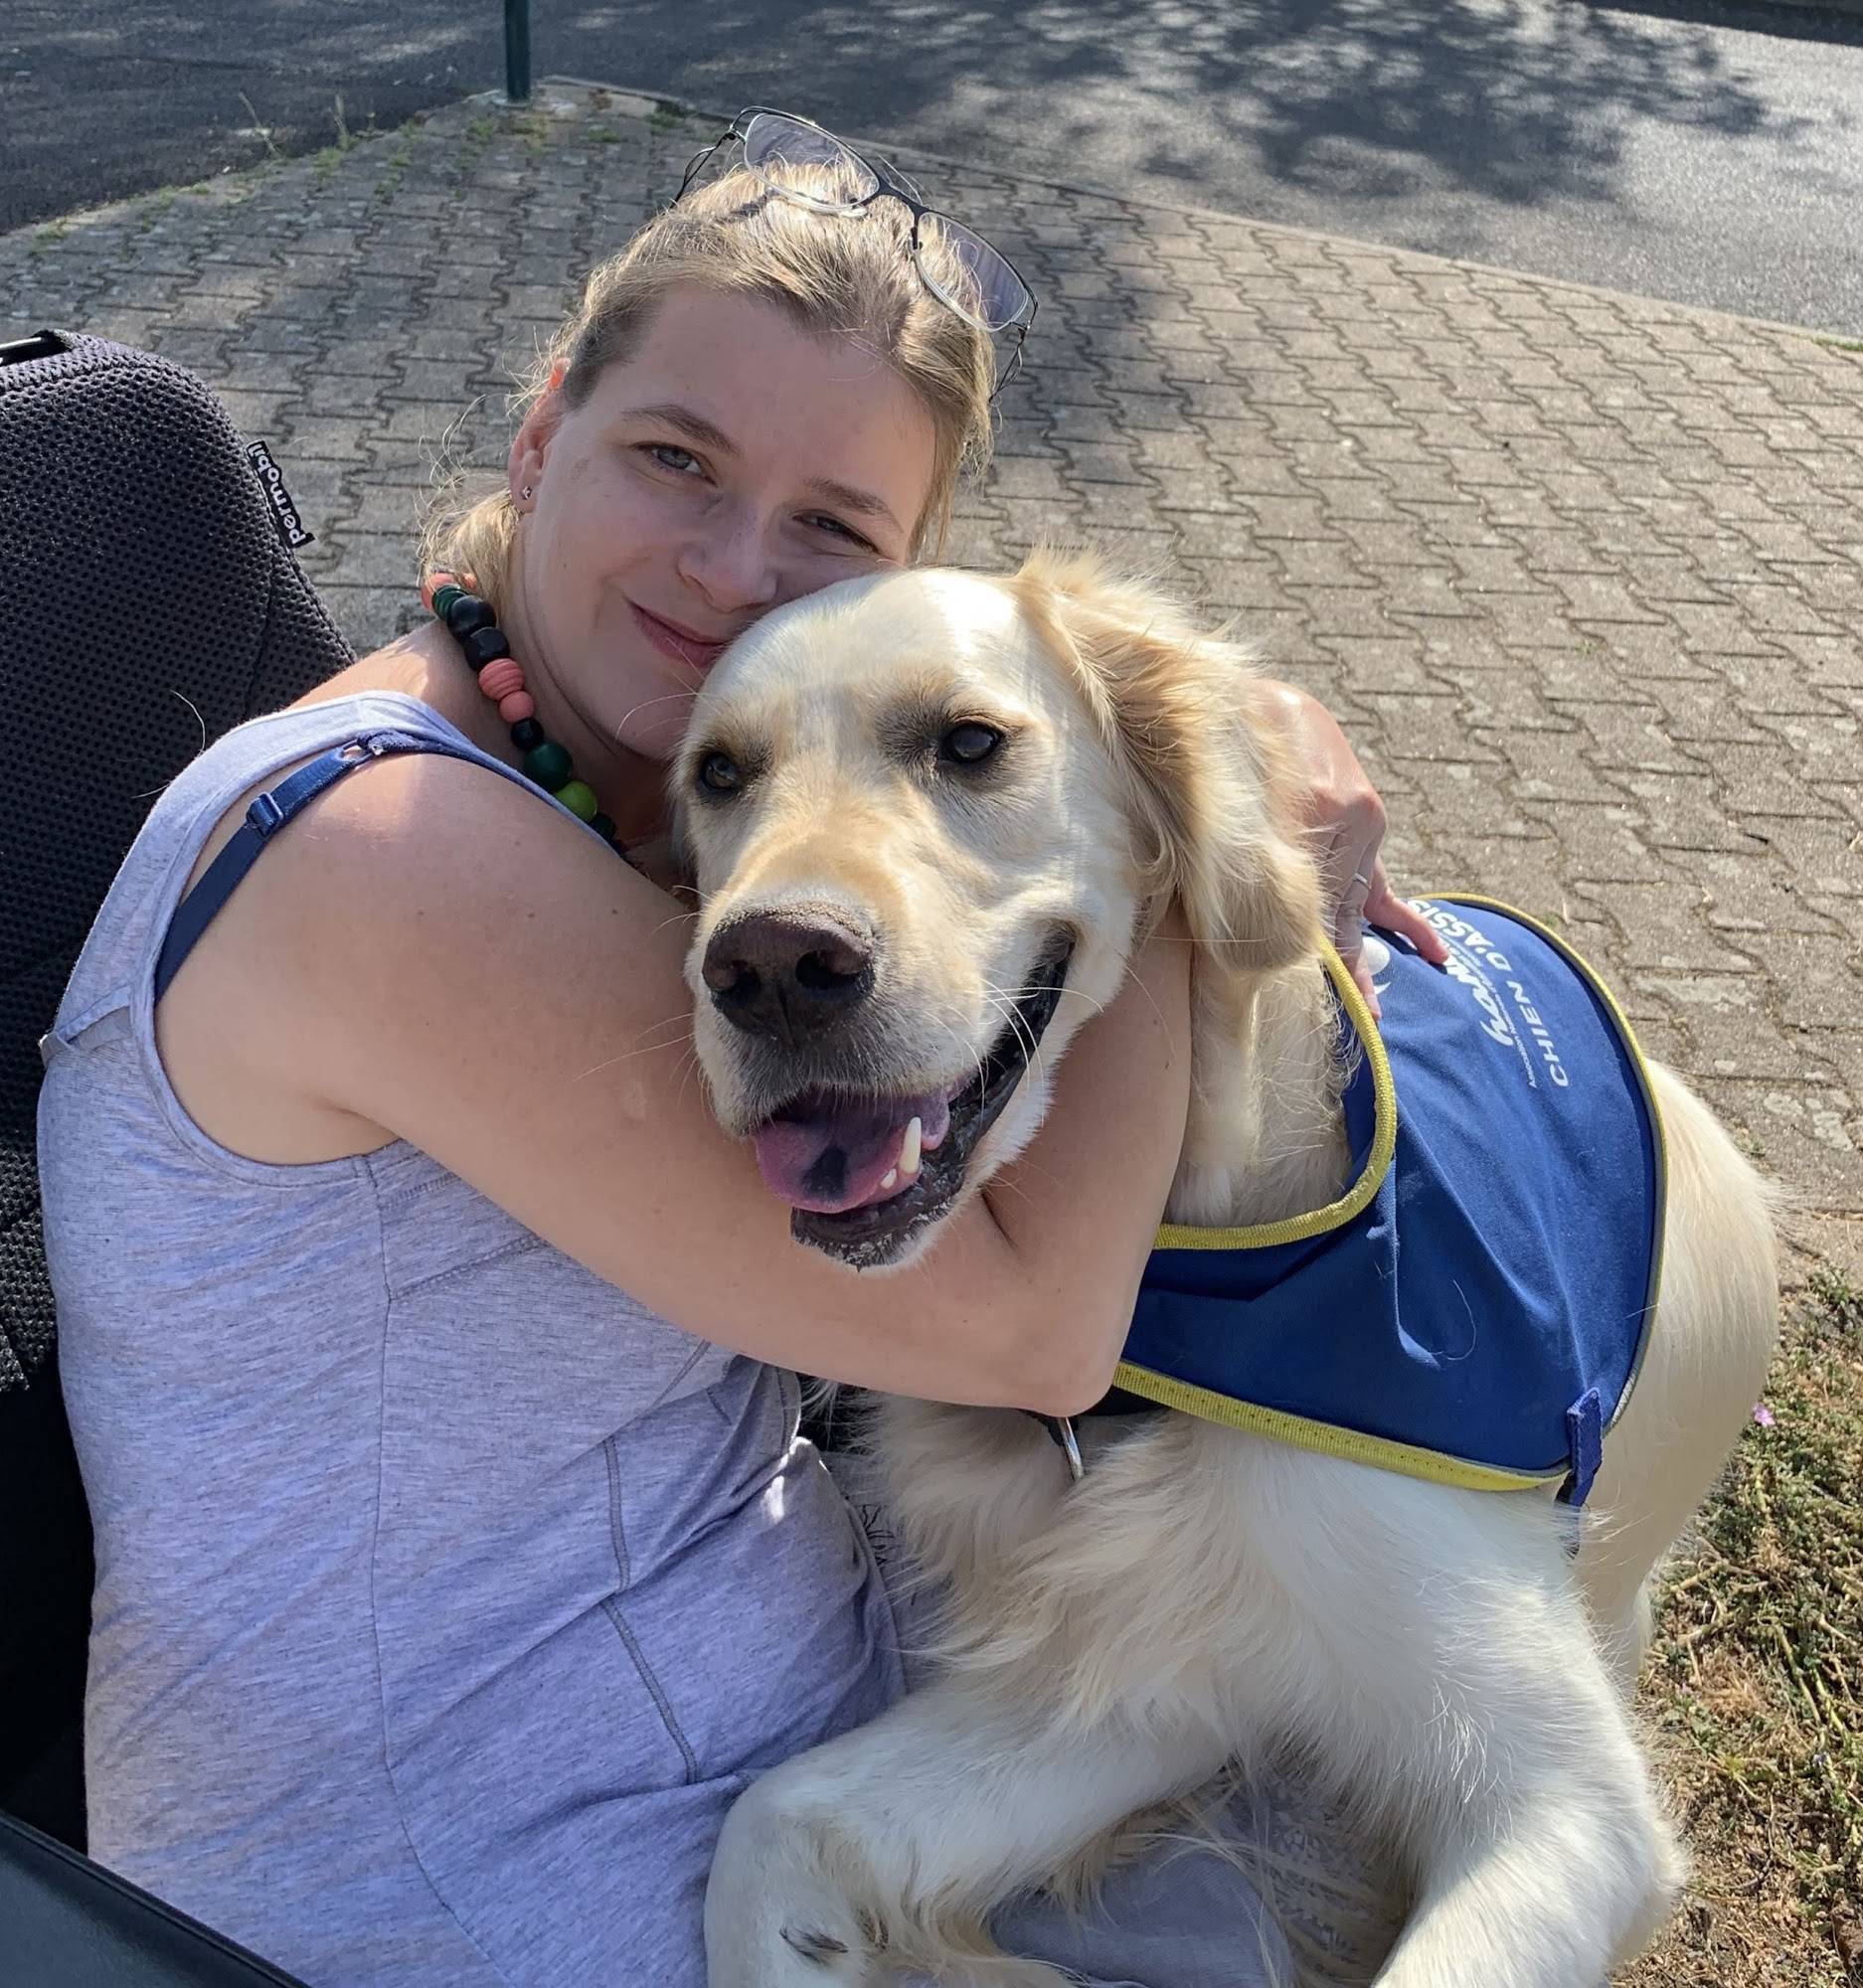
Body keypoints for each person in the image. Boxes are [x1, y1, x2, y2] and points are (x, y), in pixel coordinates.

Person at [38, 109, 1440, 1987]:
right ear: (544, 434)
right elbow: (1027, 1325)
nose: (728, 569)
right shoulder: (386, 854)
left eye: (834, 532)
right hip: (464, 1890)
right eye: (674, 458)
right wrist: (1179, 814)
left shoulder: (619, 830)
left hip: (801, 1751)